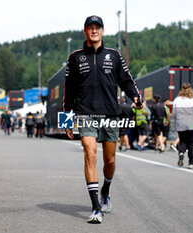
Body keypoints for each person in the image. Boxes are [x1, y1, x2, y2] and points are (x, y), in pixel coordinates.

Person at [63, 15, 141, 224]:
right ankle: (96, 207)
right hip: (86, 113)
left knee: (110, 160)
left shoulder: (114, 55)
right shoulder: (75, 57)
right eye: (91, 27)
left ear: (103, 31)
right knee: (90, 154)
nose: (94, 31)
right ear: (85, 32)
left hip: (110, 114)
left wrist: (135, 95)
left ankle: (106, 189)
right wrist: (67, 119)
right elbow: (69, 90)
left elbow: (126, 80)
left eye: (98, 27)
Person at [173, 83, 193, 169]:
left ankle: (181, 152)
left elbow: (174, 113)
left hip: (180, 123)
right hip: (191, 123)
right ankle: (191, 163)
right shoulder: (192, 100)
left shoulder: (176, 100)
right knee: (191, 143)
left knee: (183, 140)